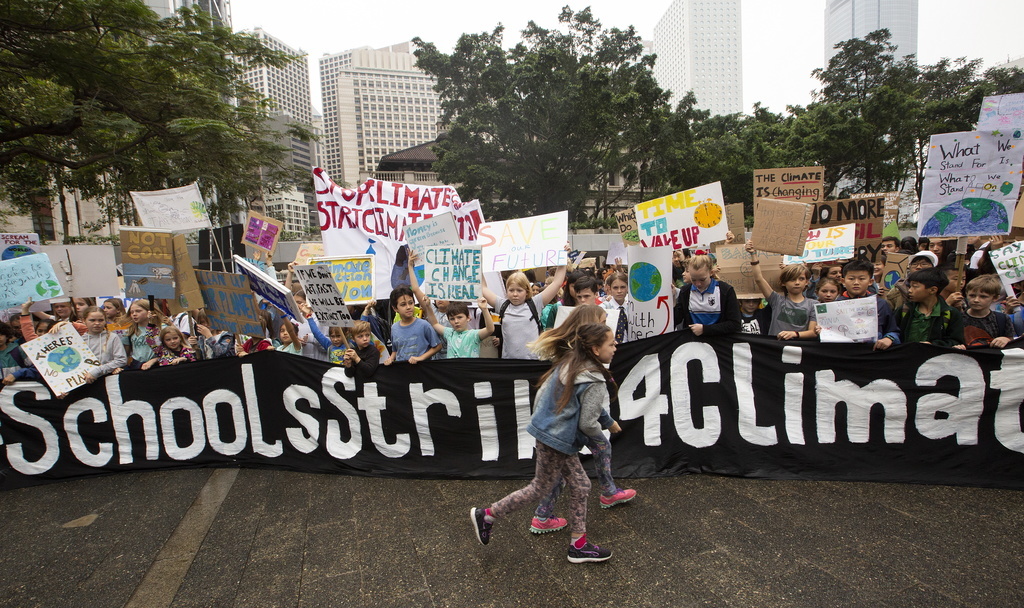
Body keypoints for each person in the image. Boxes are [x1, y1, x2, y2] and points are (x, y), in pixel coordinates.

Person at [470, 323, 619, 563]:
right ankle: (487, 515)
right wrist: (602, 438)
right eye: (611, 344)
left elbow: (545, 396)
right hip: (557, 440)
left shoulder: (570, 362)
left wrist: (545, 424)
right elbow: (588, 423)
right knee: (540, 487)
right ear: (594, 349)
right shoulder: (593, 379)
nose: (615, 347)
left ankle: (578, 544)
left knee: (581, 485)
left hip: (551, 435)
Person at [484, 261, 567, 360]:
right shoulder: (502, 305)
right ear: (506, 290)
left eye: (519, 290)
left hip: (533, 362)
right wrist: (477, 263)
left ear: (527, 291)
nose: (515, 294)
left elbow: (557, 283)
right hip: (509, 362)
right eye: (511, 290)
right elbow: (483, 288)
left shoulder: (536, 303)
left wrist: (563, 258)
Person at [746, 244, 817, 340]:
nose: (797, 283)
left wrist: (794, 334)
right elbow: (759, 279)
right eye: (792, 279)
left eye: (801, 279)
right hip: (776, 348)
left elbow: (813, 332)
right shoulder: (776, 300)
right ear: (783, 283)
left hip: (799, 349)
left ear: (806, 282)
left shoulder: (813, 304)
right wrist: (753, 254)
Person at [837, 258, 900, 350]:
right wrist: (822, 331)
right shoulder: (836, 305)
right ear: (843, 281)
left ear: (870, 282)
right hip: (845, 352)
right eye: (851, 278)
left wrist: (888, 338)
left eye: (861, 279)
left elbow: (893, 330)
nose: (856, 282)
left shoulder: (881, 304)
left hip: (873, 353)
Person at [894, 267, 964, 347]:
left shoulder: (950, 314)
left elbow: (956, 341)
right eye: (910, 286)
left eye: (915, 286)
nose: (910, 290)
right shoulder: (904, 310)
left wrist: (933, 345)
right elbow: (892, 332)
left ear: (933, 290)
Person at [673, 254, 740, 336]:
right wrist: (672, 299)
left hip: (719, 342)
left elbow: (735, 324)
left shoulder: (725, 290)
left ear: (711, 272)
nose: (698, 284)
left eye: (702, 279)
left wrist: (705, 329)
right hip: (693, 343)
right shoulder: (685, 291)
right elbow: (676, 319)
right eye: (693, 279)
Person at [382, 286, 442, 365]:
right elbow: (396, 350)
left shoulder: (424, 325)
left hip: (422, 370)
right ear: (395, 308)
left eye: (410, 303)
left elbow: (438, 346)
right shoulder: (394, 328)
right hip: (403, 371)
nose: (408, 307)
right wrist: (391, 358)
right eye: (403, 305)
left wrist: (421, 358)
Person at [421, 298, 494, 359]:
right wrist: (428, 306)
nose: (456, 321)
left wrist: (484, 309)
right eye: (452, 319)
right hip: (452, 373)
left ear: (468, 317)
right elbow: (434, 323)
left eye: (459, 317)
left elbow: (490, 329)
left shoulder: (474, 334)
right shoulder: (449, 333)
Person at [955, 274, 1014, 349]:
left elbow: (1012, 342)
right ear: (966, 294)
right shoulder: (957, 318)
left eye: (983, 296)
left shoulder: (1002, 319)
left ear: (995, 298)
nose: (976, 300)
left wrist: (1006, 340)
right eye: (972, 295)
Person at [78, 306, 127, 380]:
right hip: (85, 379)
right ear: (83, 320)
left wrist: (97, 371)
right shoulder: (80, 340)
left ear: (105, 320)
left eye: (101, 320)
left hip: (108, 378)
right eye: (92, 320)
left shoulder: (112, 337)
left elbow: (121, 360)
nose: (97, 323)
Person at [119, 300, 161, 370]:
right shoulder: (130, 331)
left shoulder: (161, 328)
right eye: (132, 312)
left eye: (138, 311)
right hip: (137, 366)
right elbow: (125, 354)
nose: (134, 314)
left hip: (157, 365)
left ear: (149, 312)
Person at [601, 271, 630, 343]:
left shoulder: (632, 308)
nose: (619, 291)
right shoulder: (603, 309)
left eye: (622, 287)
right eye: (615, 288)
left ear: (627, 288)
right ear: (609, 288)